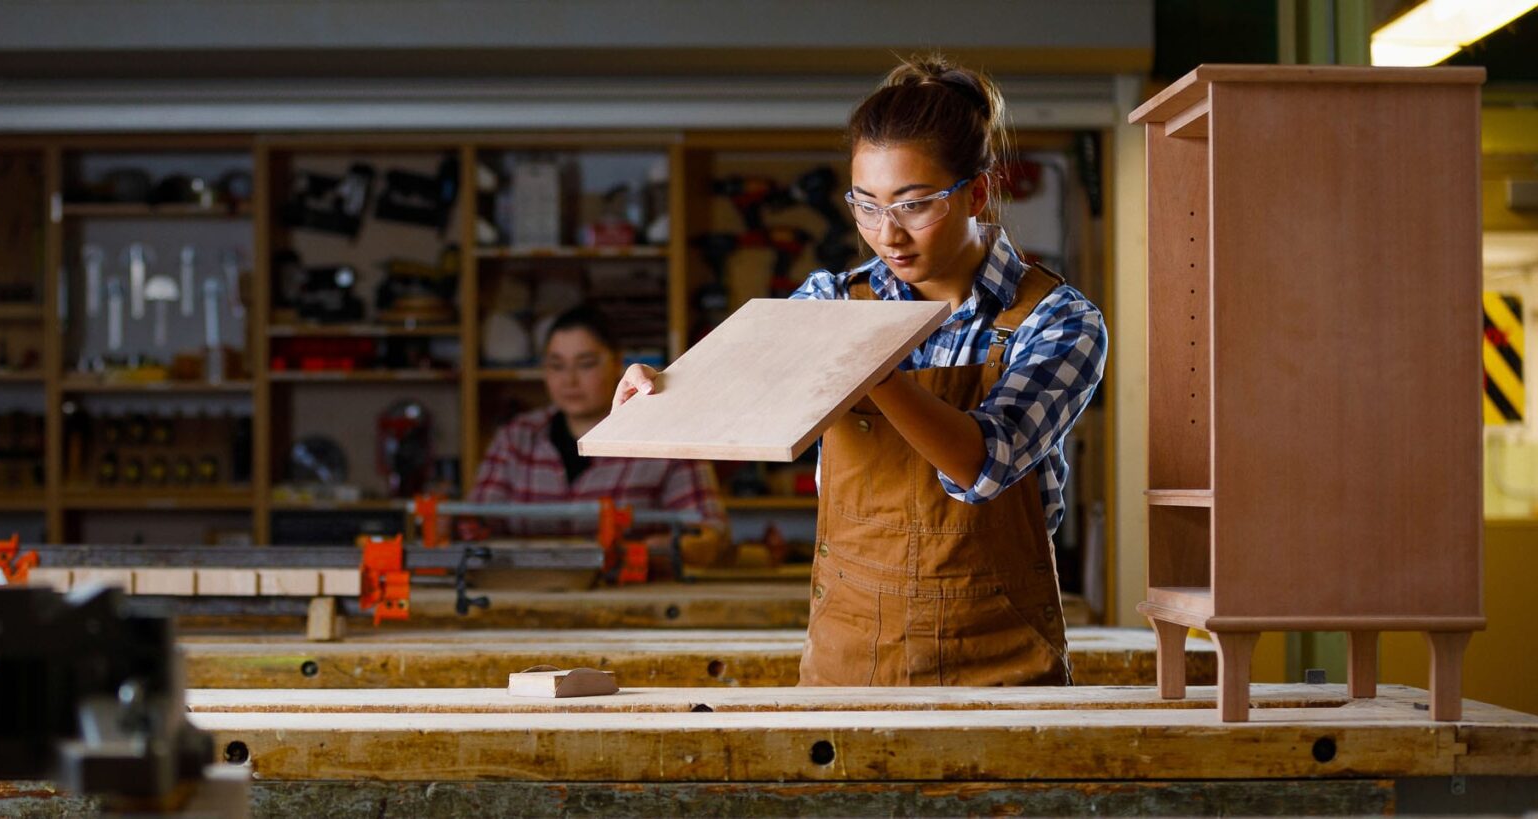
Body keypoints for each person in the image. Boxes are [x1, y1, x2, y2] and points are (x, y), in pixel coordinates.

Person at [614, 55, 1107, 686]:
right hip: (850, 646)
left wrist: (865, 363)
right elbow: (750, 386)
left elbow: (984, 467)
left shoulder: (1058, 320)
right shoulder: (831, 300)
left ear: (977, 192)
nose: (887, 235)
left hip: (998, 656)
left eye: (913, 204)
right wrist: (666, 384)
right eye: (866, 206)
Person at [469, 305, 727, 565]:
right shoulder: (516, 438)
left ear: (617, 363)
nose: (569, 380)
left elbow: (712, 532)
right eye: (557, 366)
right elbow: (472, 525)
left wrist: (674, 549)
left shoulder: (662, 440)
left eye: (586, 364)